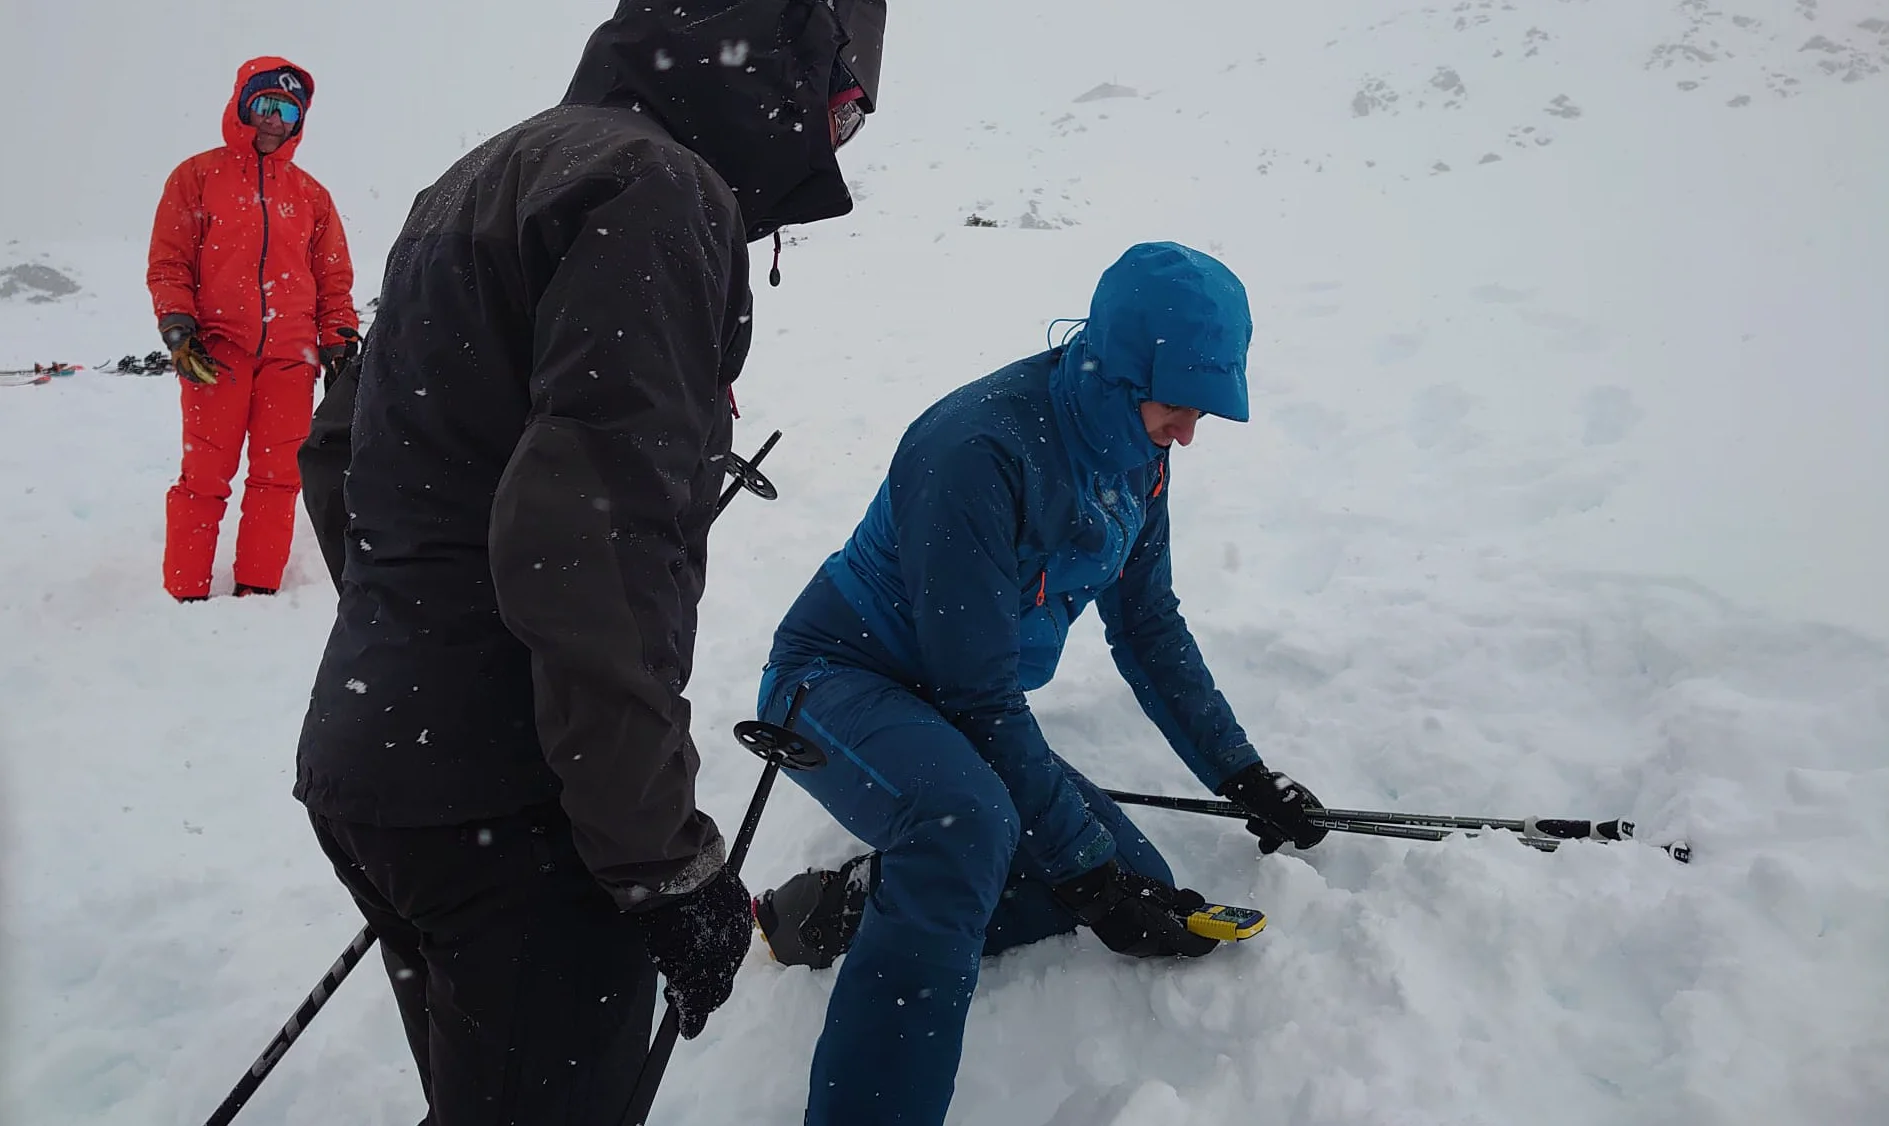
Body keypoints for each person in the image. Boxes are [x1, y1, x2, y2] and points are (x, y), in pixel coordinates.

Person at [292, 2, 887, 1123]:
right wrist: (660, 859)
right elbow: (590, 544)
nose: (833, 139)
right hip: (517, 808)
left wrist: (413, 643)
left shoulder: (479, 177)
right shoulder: (658, 191)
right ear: (787, 61)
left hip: (378, 773)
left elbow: (339, 452)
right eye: (843, 108)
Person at [750, 241, 1331, 1126]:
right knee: (972, 830)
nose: (1187, 432)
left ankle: (851, 906)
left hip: (951, 708)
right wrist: (1086, 872)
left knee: (1136, 881)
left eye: (1202, 411)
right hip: (837, 681)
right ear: (1123, 374)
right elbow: (979, 698)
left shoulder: (1137, 455)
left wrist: (1240, 773)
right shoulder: (976, 450)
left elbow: (1147, 624)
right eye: (1177, 405)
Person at [146, 56, 357, 602]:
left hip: (291, 359)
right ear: (242, 106)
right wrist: (178, 329)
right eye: (265, 104)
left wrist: (339, 341)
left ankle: (258, 591)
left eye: (288, 110)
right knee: (204, 478)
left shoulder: (311, 196)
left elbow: (333, 280)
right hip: (216, 352)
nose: (274, 120)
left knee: (279, 478)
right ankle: (185, 593)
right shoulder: (196, 177)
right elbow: (169, 263)